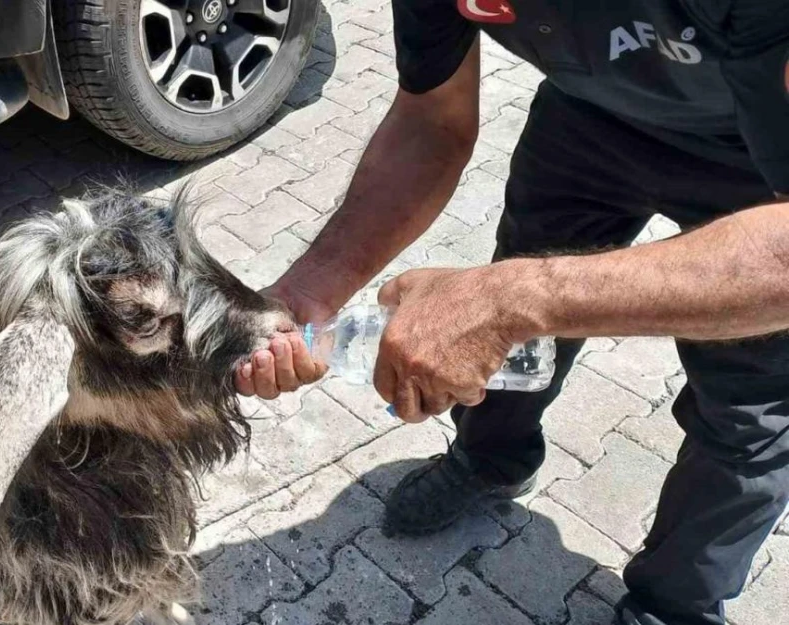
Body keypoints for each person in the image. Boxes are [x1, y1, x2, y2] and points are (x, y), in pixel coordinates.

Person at [234, 1, 789, 623]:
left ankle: (673, 604)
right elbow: (430, 122)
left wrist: (518, 298)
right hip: (588, 121)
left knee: (752, 414)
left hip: (759, 165)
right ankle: (490, 460)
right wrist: (310, 289)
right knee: (499, 333)